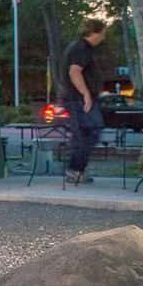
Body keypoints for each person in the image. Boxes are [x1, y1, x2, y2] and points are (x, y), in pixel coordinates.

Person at [61, 18, 108, 185]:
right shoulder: (81, 48)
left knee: (87, 133)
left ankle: (78, 169)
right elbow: (74, 71)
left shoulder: (82, 48)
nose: (103, 37)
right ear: (94, 32)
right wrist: (86, 94)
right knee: (87, 132)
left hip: (81, 98)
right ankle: (74, 169)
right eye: (102, 33)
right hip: (78, 99)